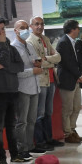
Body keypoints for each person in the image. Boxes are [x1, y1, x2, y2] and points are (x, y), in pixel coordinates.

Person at [0, 16, 28, 164]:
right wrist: (3, 45)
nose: (2, 32)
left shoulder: (10, 46)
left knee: (11, 125)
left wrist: (3, 66)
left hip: (12, 91)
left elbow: (20, 66)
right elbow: (7, 61)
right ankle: (1, 158)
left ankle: (15, 155)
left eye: (3, 29)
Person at [27, 16, 63, 150]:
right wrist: (48, 61)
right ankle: (40, 141)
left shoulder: (46, 39)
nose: (40, 27)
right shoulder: (30, 41)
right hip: (40, 81)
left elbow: (58, 57)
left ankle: (49, 139)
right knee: (39, 113)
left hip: (51, 80)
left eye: (41, 24)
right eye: (36, 24)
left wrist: (46, 59)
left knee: (49, 111)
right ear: (31, 26)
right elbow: (36, 62)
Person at [10, 19, 44, 157]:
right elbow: (15, 72)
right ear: (15, 30)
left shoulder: (29, 45)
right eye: (21, 28)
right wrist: (32, 71)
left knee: (32, 120)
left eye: (26, 27)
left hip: (35, 87)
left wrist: (37, 63)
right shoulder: (13, 48)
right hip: (22, 88)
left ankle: (30, 145)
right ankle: (21, 148)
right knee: (22, 121)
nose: (25, 30)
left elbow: (35, 60)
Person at [55, 19, 82, 144]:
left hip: (76, 80)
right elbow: (67, 63)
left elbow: (80, 60)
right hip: (67, 80)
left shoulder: (76, 43)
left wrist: (81, 73)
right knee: (67, 109)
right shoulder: (63, 43)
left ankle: (72, 130)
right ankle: (67, 133)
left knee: (77, 107)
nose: (79, 30)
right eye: (77, 28)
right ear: (72, 29)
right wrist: (79, 74)